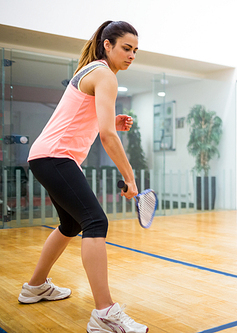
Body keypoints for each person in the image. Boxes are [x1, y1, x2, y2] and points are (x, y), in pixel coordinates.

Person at [18, 21, 148, 333]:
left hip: (45, 156)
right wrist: (130, 178)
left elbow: (83, 117)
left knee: (72, 224)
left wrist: (112, 121)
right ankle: (104, 313)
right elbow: (106, 137)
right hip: (56, 157)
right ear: (108, 45)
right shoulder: (104, 74)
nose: (131, 55)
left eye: (135, 50)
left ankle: (35, 286)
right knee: (95, 221)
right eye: (126, 48)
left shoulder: (91, 70)